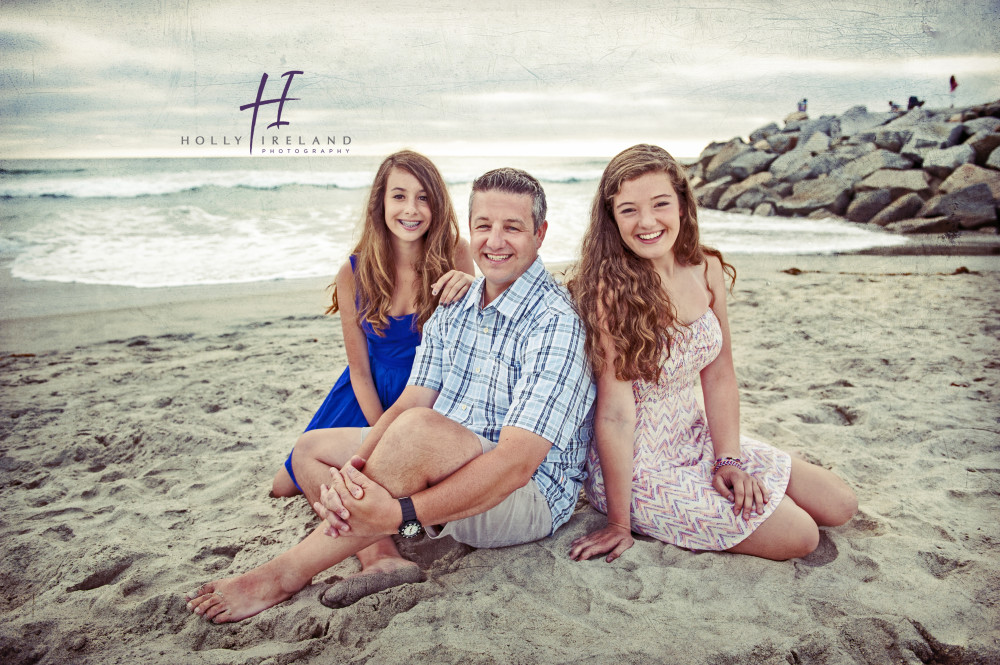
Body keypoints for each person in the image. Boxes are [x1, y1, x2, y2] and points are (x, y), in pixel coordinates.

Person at [185, 167, 596, 623]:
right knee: (312, 448)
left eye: (512, 227)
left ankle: (284, 574)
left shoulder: (555, 323)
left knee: (418, 432)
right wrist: (355, 471)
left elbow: (517, 465)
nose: (494, 241)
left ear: (539, 234)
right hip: (446, 467)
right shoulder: (456, 304)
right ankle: (381, 549)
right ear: (471, 227)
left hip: (523, 498)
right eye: (484, 225)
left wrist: (402, 513)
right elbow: (409, 400)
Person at [566, 144, 856, 564]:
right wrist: (618, 523)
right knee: (801, 535)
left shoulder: (706, 268)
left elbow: (719, 375)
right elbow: (614, 412)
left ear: (683, 204)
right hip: (642, 465)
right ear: (611, 218)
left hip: (697, 437)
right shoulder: (609, 291)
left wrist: (728, 459)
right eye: (628, 210)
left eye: (660, 204)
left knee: (839, 504)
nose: (647, 222)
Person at [271, 149, 475, 498]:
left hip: (429, 392)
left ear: (437, 206)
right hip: (369, 391)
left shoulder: (455, 253)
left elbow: (473, 339)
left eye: (423, 198)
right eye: (399, 196)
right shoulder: (353, 272)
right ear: (380, 203)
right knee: (285, 485)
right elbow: (360, 371)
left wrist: (475, 288)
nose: (411, 209)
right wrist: (378, 431)